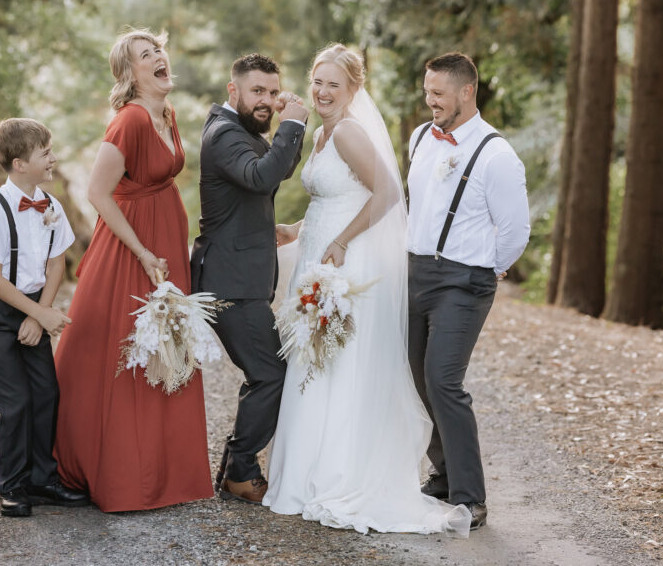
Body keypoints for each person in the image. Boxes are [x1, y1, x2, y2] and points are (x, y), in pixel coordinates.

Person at [263, 44, 470, 535]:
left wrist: (340, 240)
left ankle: (337, 475)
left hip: (345, 263)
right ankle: (305, 474)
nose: (322, 92)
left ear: (354, 89)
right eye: (317, 81)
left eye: (334, 83)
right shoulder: (322, 133)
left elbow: (387, 195)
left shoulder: (350, 132)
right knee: (316, 362)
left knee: (339, 365)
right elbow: (337, 197)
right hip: (319, 255)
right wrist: (297, 228)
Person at [52, 29, 213, 511]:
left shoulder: (169, 114)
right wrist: (143, 251)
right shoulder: (129, 121)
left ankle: (164, 473)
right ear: (130, 73)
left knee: (167, 347)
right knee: (121, 353)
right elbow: (98, 193)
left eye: (159, 50)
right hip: (130, 248)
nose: (160, 58)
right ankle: (120, 474)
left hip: (165, 240)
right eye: (147, 55)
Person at [407, 52, 531, 529]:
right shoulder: (420, 137)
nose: (430, 101)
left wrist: (487, 269)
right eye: (427, 92)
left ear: (466, 92)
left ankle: (470, 497)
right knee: (416, 377)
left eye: (438, 94)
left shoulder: (497, 154)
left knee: (443, 380)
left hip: (464, 281)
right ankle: (441, 474)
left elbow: (515, 230)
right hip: (415, 272)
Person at [190, 53, 308, 504]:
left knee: (265, 372)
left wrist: (288, 130)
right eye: (257, 91)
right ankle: (239, 471)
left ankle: (234, 468)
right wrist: (292, 125)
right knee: (270, 374)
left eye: (273, 93)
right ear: (232, 90)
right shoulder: (223, 135)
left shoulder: (242, 133)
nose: (267, 100)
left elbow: (277, 170)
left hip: (239, 278)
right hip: (229, 283)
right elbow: (261, 178)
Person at [0, 117, 89, 517]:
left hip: (33, 307)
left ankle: (42, 480)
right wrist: (35, 312)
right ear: (20, 163)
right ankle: (13, 486)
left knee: (46, 394)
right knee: (15, 402)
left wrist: (40, 315)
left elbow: (57, 263)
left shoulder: (51, 204)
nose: (53, 158)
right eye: (45, 153)